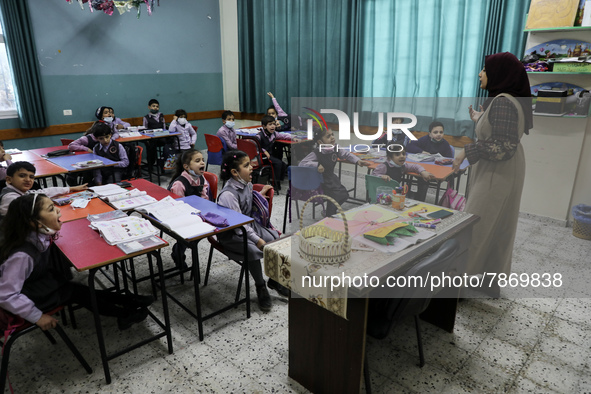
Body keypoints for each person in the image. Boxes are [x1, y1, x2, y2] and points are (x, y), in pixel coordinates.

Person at [0, 194, 153, 331]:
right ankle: (125, 312)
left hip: (39, 283)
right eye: (51, 209)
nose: (58, 211)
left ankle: (130, 301)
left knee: (78, 289)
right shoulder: (21, 255)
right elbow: (6, 295)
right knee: (77, 292)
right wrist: (37, 316)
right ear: (35, 223)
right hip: (29, 297)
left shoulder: (36, 235)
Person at [452, 52, 532, 297]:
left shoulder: (503, 102)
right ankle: (488, 280)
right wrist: (480, 118)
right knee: (498, 224)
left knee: (476, 224)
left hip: (499, 171)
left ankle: (458, 286)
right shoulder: (503, 101)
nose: (480, 74)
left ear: (498, 74)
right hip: (503, 169)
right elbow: (501, 134)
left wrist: (466, 150)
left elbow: (503, 147)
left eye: (484, 70)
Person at [217, 150, 289, 312]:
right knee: (251, 249)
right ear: (234, 172)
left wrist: (258, 194)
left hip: (248, 225)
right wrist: (257, 240)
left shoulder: (246, 183)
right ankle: (260, 286)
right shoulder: (228, 195)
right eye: (246, 165)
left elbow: (247, 197)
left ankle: (274, 279)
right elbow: (238, 225)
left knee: (277, 239)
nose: (252, 167)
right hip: (232, 233)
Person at [299, 128, 370, 217]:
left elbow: (346, 154)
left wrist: (358, 161)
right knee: (335, 195)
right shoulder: (317, 152)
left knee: (344, 195)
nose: (332, 137)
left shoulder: (336, 147)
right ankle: (330, 215)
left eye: (332, 134)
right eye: (328, 136)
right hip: (320, 181)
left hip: (330, 178)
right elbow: (302, 163)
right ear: (320, 142)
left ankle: (329, 211)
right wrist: (316, 165)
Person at [168, 149, 210, 268]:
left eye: (203, 160)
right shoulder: (179, 184)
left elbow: (204, 198)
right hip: (178, 215)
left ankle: (179, 250)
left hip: (194, 213)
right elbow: (178, 208)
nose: (202, 163)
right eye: (197, 161)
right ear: (186, 166)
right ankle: (177, 253)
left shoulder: (202, 179)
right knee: (187, 237)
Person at [0, 161, 87, 218]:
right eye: (22, 176)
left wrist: (71, 188)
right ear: (9, 179)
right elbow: (32, 214)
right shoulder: (10, 197)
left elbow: (44, 192)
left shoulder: (20, 191)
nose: (28, 180)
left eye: (31, 177)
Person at [255, 115, 291, 189]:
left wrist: (294, 137)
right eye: (270, 124)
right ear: (264, 127)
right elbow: (256, 146)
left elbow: (283, 136)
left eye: (274, 124)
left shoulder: (274, 134)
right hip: (261, 157)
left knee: (283, 164)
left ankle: (276, 181)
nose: (273, 126)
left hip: (269, 156)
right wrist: (264, 151)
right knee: (278, 163)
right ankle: (274, 184)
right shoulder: (259, 136)